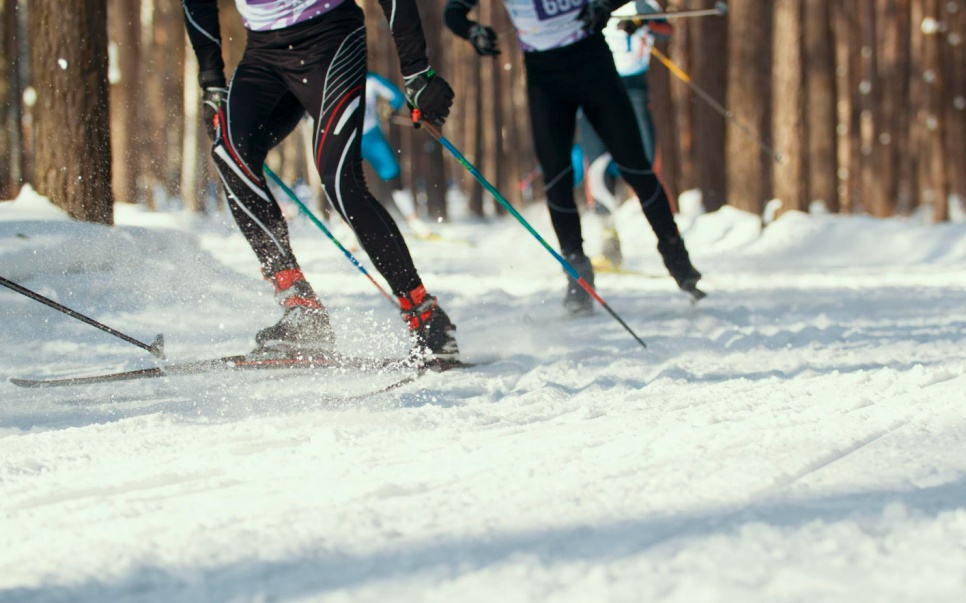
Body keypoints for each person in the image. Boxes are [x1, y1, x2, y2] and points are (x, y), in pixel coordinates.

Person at [181, 0, 459, 360]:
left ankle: (425, 315)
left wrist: (417, 70)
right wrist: (211, 82)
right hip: (263, 52)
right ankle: (302, 311)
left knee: (340, 182)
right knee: (230, 155)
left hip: (331, 41)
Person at [444, 0, 703, 316]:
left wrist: (604, 5)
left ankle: (678, 259)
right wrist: (472, 32)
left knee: (636, 168)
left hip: (593, 66)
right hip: (545, 81)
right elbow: (453, 11)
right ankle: (577, 275)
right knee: (557, 179)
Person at [576, 0, 670, 269]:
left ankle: (669, 242)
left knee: (645, 160)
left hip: (633, 88)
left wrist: (641, 23)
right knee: (597, 163)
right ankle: (608, 240)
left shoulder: (642, 4)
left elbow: (666, 30)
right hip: (594, 85)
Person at [362, 71, 435, 239]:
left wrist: (389, 109)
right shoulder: (334, 79)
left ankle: (414, 221)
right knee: (343, 181)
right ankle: (347, 228)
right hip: (345, 139)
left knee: (394, 176)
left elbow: (396, 96)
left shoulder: (371, 80)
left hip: (372, 138)